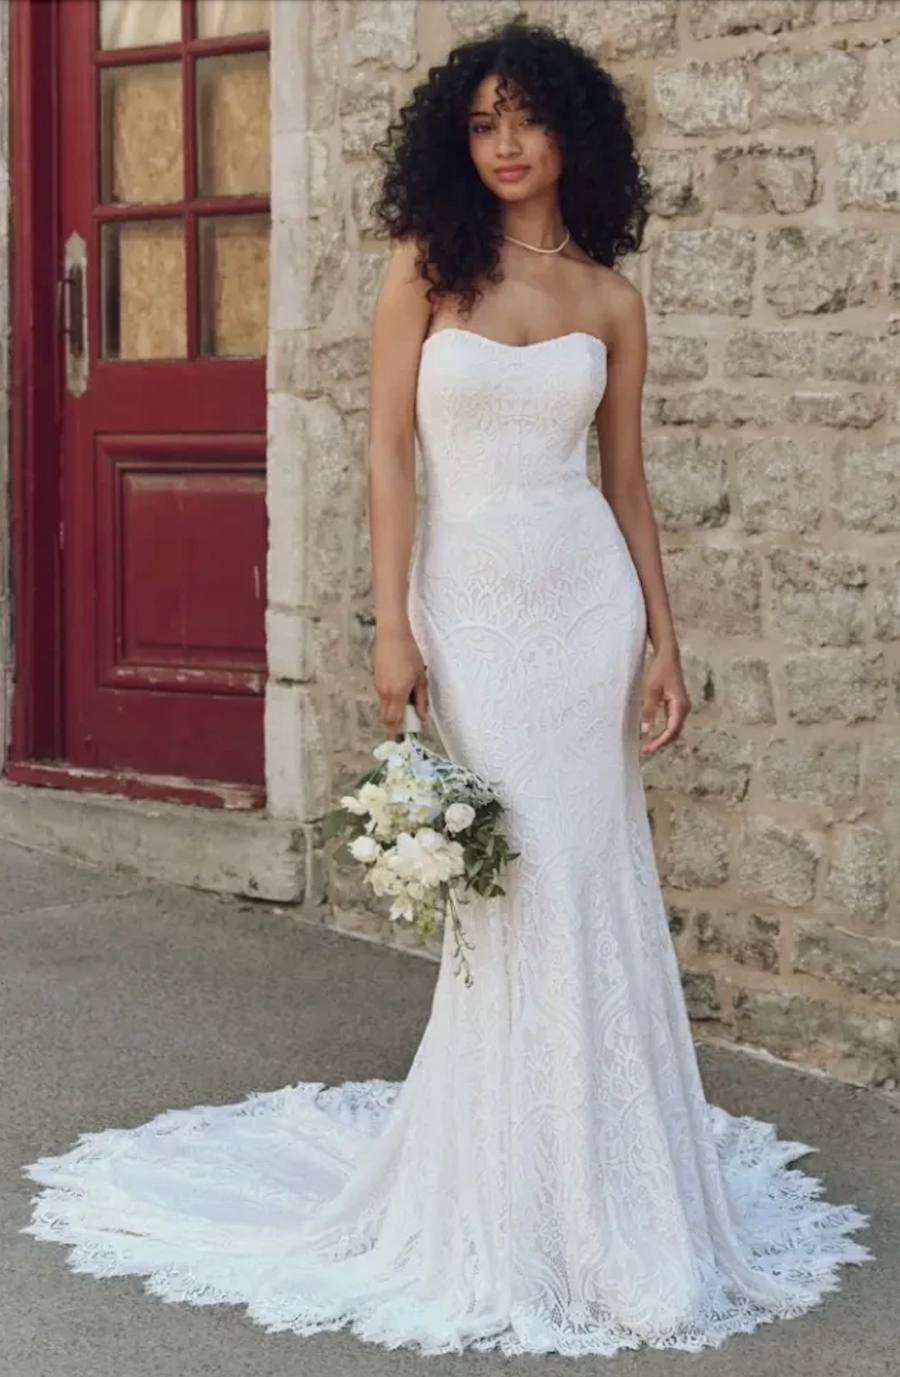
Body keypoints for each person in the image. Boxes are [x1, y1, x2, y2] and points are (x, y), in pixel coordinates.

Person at [20, 17, 872, 1359]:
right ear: (455, 143)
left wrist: (664, 637)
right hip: (470, 612)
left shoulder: (609, 298)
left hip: (584, 605)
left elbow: (628, 488)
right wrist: (392, 623)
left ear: (571, 133)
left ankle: (610, 1196)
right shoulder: (427, 269)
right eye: (482, 123)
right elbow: (384, 459)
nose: (507, 143)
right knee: (514, 878)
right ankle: (504, 1190)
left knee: (589, 872)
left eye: (527, 118)